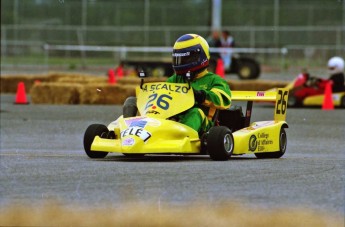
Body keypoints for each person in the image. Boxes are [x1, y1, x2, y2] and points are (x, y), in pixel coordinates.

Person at [168, 33, 232, 134]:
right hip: (176, 119)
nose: (181, 62)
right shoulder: (175, 79)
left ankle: (181, 137)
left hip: (204, 127)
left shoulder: (214, 80)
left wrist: (201, 95)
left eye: (186, 58)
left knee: (196, 112)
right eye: (179, 58)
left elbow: (224, 100)